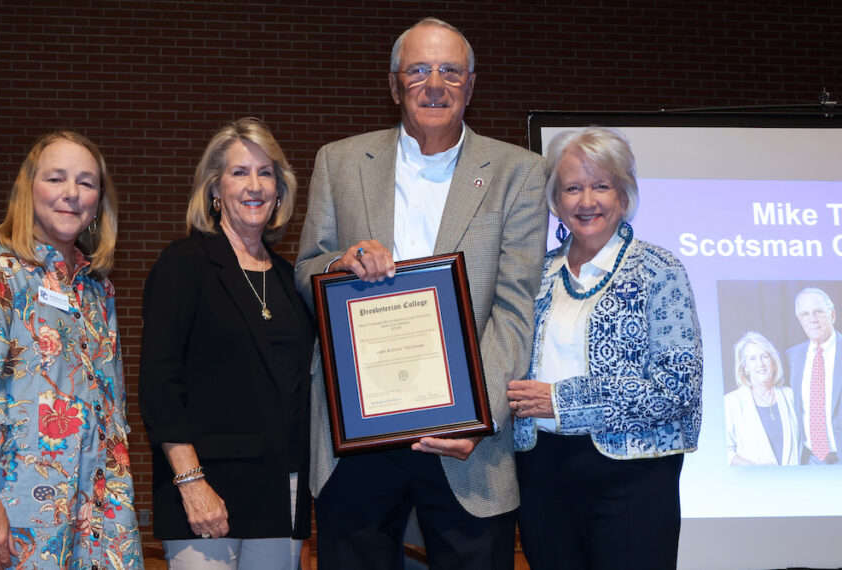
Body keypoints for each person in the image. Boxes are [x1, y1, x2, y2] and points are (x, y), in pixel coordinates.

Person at [294, 18, 547, 569]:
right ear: (393, 85)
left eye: (450, 71)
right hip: (356, 433)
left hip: (465, 444)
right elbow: (306, 271)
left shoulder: (519, 173)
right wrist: (340, 263)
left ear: (471, 85)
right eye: (419, 70)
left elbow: (514, 307)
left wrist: (477, 414)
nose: (434, 84)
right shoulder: (339, 161)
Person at [0, 131, 143, 569]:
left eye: (86, 182)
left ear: (99, 201)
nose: (71, 194)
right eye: (56, 178)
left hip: (94, 514)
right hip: (11, 510)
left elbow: (109, 408)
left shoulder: (96, 291)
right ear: (29, 190)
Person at [508, 126, 703, 570]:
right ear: (555, 201)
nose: (587, 201)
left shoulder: (659, 270)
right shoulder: (533, 276)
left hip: (632, 479)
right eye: (572, 188)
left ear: (624, 194)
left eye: (601, 186)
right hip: (541, 476)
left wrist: (563, 402)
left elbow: (677, 389)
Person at [139, 117, 314, 570]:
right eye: (240, 172)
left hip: (282, 490)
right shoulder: (184, 265)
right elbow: (160, 385)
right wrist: (192, 483)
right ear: (215, 188)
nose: (254, 185)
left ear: (280, 189)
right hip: (206, 489)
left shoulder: (289, 278)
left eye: (266, 172)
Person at [784, 288, 841, 464]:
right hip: (809, 460)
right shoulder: (789, 357)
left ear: (832, 315)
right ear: (800, 320)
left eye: (818, 312)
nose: (812, 319)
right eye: (805, 314)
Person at [725, 331, 800, 465]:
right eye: (752, 359)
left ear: (773, 362)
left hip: (794, 482)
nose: (760, 364)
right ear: (745, 368)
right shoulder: (731, 403)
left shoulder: (792, 396)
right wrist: (756, 468)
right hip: (754, 483)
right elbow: (725, 451)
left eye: (764, 356)